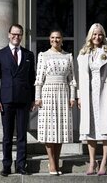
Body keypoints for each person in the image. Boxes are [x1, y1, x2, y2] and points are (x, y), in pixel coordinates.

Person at [77, 23, 107, 175]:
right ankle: (92, 162)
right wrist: (79, 96)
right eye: (94, 34)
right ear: (90, 35)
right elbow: (79, 77)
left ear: (103, 36)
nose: (97, 37)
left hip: (105, 92)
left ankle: (104, 162)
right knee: (90, 129)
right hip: (88, 93)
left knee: (106, 129)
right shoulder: (83, 53)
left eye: (100, 34)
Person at [0, 24, 35, 176]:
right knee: (7, 135)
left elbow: (32, 79)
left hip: (24, 100)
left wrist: (33, 99)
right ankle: (6, 165)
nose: (17, 37)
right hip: (6, 100)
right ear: (8, 34)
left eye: (19, 34)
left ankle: (21, 165)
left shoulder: (29, 55)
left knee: (22, 135)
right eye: (14, 34)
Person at [34, 30, 76, 175]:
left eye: (58, 38)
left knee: (61, 129)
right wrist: (37, 97)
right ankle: (51, 163)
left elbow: (72, 79)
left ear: (62, 39)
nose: (55, 40)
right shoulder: (43, 56)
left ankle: (57, 162)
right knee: (49, 129)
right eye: (52, 37)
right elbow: (39, 79)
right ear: (49, 39)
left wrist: (72, 97)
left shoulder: (68, 56)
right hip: (48, 93)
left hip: (63, 93)